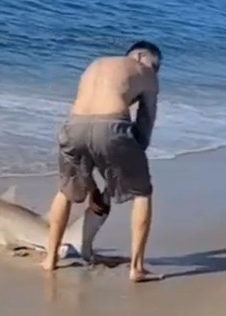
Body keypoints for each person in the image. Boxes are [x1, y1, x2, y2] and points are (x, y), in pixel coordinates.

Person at [40, 41, 161, 282]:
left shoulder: (95, 65)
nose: (155, 72)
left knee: (65, 191)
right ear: (139, 56)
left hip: (73, 126)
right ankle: (136, 268)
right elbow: (145, 126)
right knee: (142, 193)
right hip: (112, 126)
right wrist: (130, 162)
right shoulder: (146, 73)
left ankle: (50, 259)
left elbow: (88, 112)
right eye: (155, 65)